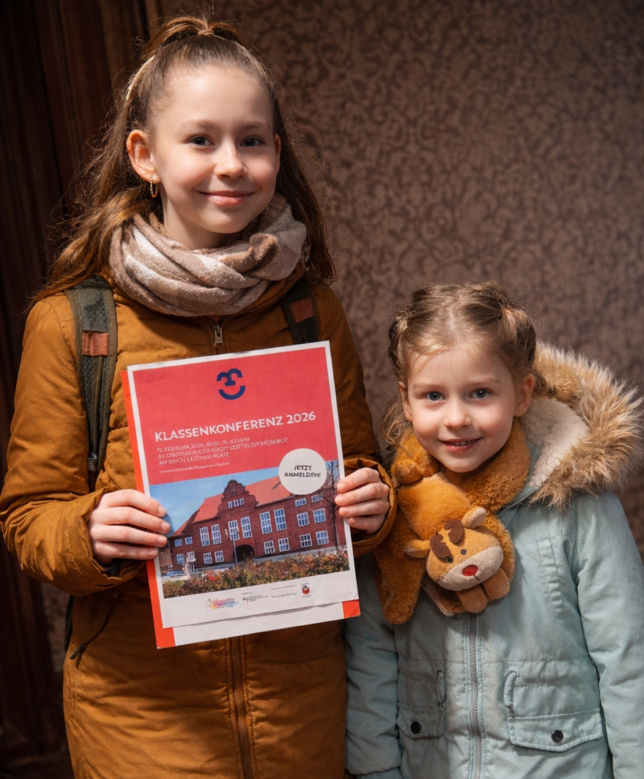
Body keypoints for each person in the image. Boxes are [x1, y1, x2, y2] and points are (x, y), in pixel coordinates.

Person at [0, 15, 394, 779]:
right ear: (144, 155)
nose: (232, 164)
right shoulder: (74, 323)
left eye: (252, 140)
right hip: (143, 719)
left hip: (302, 705)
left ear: (277, 154)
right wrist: (91, 530)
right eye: (202, 139)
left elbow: (360, 466)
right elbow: (27, 516)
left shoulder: (309, 309)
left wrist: (371, 503)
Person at [344, 281, 644, 778]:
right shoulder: (392, 517)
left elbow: (631, 660)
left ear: (522, 393)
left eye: (480, 393)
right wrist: (376, 771)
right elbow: (371, 661)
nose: (456, 418)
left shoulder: (578, 507)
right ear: (406, 398)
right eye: (433, 395)